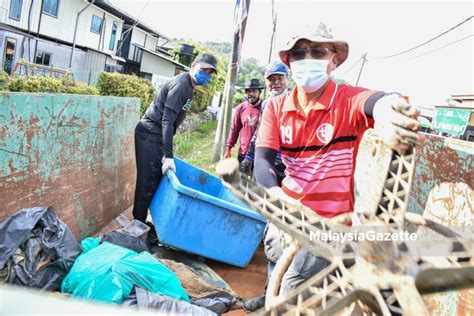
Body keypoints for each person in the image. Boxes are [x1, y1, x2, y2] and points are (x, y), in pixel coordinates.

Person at [254, 23, 423, 297]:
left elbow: (376, 101)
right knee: (276, 265)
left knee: (291, 291)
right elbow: (262, 161)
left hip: (328, 226)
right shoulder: (276, 107)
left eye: (317, 52)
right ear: (289, 62)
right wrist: (276, 196)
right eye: (298, 54)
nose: (307, 60)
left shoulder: (346, 100)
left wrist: (389, 109)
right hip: (287, 213)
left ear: (333, 61)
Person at [132, 53, 218, 224]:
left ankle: (143, 221)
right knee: (147, 182)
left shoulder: (190, 87)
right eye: (204, 70)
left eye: (209, 73)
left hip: (156, 135)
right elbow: (167, 120)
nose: (206, 75)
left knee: (154, 180)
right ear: (193, 65)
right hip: (149, 133)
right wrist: (168, 155)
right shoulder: (180, 85)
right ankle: (137, 225)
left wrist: (166, 150)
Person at [240, 62, 291, 185]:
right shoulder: (266, 104)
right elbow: (260, 131)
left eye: (280, 78)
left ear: (288, 79)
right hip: (265, 158)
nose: (276, 82)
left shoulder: (295, 101)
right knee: (258, 196)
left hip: (287, 161)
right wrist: (249, 157)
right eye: (271, 79)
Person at [224, 79, 264, 163]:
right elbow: (234, 129)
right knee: (241, 176)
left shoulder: (265, 108)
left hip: (259, 155)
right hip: (243, 153)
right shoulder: (241, 108)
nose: (251, 94)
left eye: (254, 91)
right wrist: (228, 148)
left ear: (259, 92)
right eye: (248, 91)